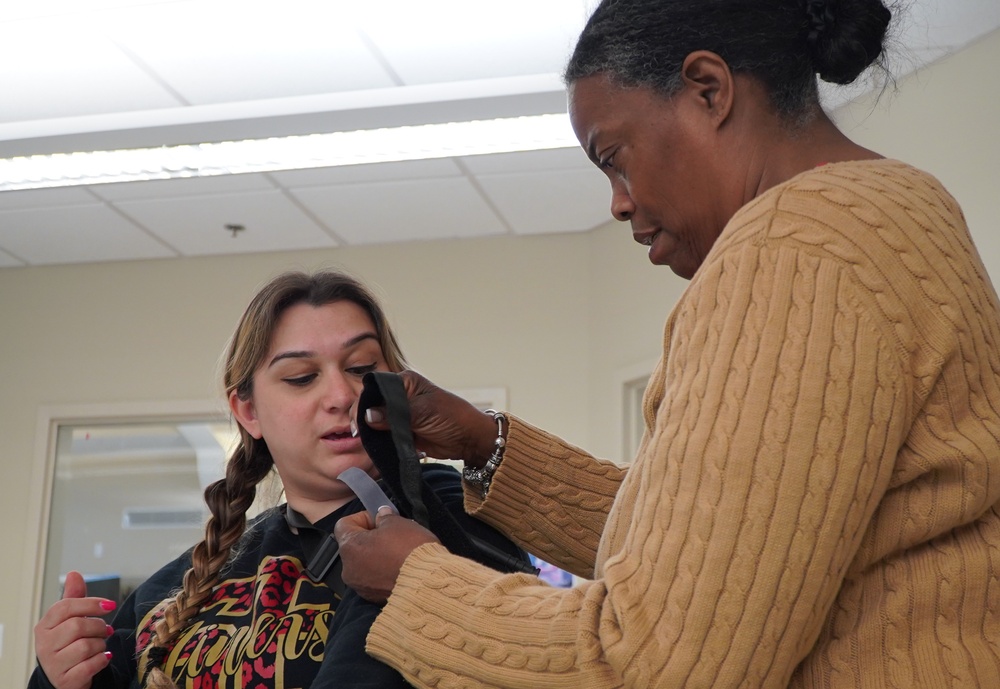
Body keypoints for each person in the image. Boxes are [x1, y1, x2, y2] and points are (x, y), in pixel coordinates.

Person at [333, 0, 1000, 687]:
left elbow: (658, 664)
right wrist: (486, 442)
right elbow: (726, 549)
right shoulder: (905, 207)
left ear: (708, 89)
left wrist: (417, 582)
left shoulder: (791, 251)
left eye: (614, 159)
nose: (618, 204)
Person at [29, 270, 524, 689]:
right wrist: (61, 670)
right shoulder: (189, 577)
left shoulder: (450, 516)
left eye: (361, 367)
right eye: (301, 377)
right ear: (248, 410)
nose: (341, 394)